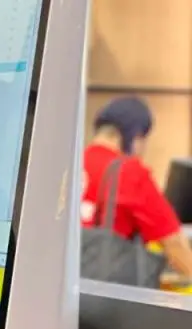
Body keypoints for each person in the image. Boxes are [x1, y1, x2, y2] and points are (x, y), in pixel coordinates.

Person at [81, 96, 192, 277]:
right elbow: (174, 243)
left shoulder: (70, 163)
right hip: (104, 294)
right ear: (135, 136)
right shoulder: (129, 172)